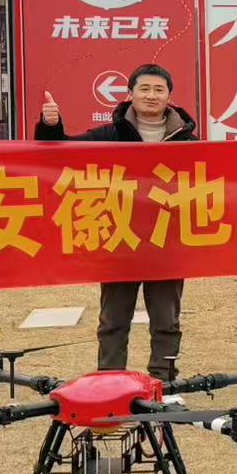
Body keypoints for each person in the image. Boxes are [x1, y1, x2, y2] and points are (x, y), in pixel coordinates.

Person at [36, 63, 196, 381]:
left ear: (170, 97)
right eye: (144, 89)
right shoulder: (109, 135)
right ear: (130, 94)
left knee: (167, 320)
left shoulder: (188, 141)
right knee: (113, 319)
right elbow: (61, 152)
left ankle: (163, 381)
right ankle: (110, 381)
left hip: (167, 241)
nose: (151, 95)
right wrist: (50, 126)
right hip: (118, 238)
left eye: (159, 90)